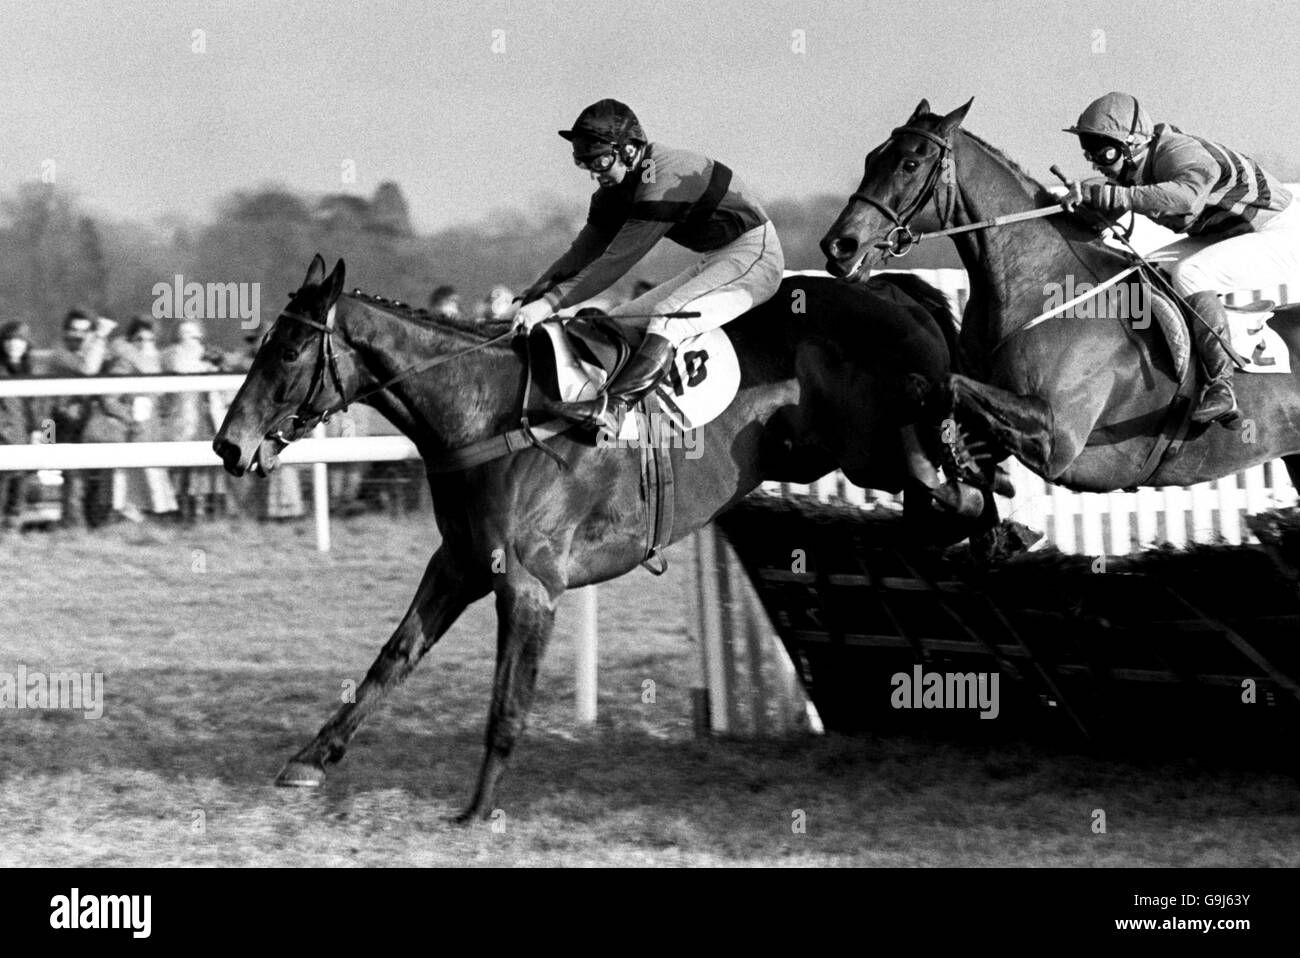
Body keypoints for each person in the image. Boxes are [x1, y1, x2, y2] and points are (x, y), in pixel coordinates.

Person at [515, 99, 785, 431]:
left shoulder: (663, 176)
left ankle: (613, 410)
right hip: (717, 259)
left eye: (599, 161)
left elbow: (615, 262)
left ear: (629, 149)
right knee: (619, 320)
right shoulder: (614, 189)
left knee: (668, 319)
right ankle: (628, 414)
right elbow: (584, 252)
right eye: (583, 163)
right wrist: (537, 291)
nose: (594, 173)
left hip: (754, 255)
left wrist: (550, 304)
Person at [1062, 92, 1300, 428]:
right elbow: (1117, 199)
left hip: (1281, 232)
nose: (1096, 162)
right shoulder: (1136, 166)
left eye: (1104, 151)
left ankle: (1221, 386)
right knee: (1139, 271)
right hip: (1233, 232)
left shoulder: (1180, 152)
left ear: (1133, 144)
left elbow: (1185, 198)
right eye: (1089, 151)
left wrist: (1104, 194)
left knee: (1192, 273)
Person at [46, 308, 126, 528]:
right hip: (62, 424)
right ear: (64, 332)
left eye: (84, 331)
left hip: (91, 425)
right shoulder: (60, 355)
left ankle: (98, 524)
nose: (78, 336)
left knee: (98, 477)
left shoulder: (96, 351)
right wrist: (100, 336)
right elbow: (88, 369)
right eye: (73, 330)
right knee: (73, 478)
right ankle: (73, 526)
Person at [110, 316, 178, 521]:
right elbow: (109, 398)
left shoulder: (160, 364)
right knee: (130, 477)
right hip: (131, 431)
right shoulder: (123, 364)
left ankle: (157, 514)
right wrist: (129, 415)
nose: (144, 343)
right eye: (139, 338)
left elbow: (166, 399)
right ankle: (129, 514)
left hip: (154, 429)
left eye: (150, 339)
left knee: (155, 473)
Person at [0, 321, 42, 534]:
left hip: (26, 438)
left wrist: (43, 437)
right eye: (9, 340)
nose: (13, 345)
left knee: (20, 489)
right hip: (6, 440)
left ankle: (12, 531)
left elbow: (40, 409)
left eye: (18, 340)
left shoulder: (32, 369)